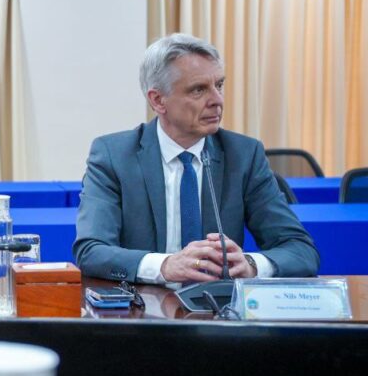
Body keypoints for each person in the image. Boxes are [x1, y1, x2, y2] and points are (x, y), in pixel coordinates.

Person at [73, 33, 319, 283]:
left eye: (219, 85)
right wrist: (164, 266)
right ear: (158, 100)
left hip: (219, 305)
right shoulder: (114, 156)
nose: (217, 100)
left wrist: (250, 265)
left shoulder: (243, 155)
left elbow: (300, 250)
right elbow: (91, 250)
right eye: (198, 90)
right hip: (143, 302)